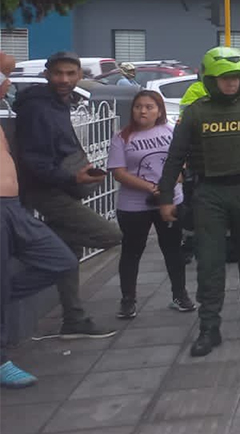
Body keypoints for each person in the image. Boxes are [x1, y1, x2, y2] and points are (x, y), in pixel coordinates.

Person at [157, 46, 240, 356]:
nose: (230, 84)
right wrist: (165, 198)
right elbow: (174, 158)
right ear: (210, 79)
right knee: (210, 261)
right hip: (208, 193)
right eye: (224, 78)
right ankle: (208, 326)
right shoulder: (196, 112)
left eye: (236, 78)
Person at [13, 51, 122, 339]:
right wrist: (72, 176)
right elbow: (33, 160)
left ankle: (73, 319)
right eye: (58, 73)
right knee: (110, 235)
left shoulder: (60, 103)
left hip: (62, 187)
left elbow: (60, 147)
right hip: (47, 190)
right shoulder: (37, 108)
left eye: (70, 74)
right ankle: (34, 240)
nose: (64, 79)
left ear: (79, 76)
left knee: (69, 256)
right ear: (47, 73)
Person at [1, 57, 81, 388]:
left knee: (60, 260)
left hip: (13, 207)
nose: (7, 82)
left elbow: (8, 61)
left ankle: (2, 296)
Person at [107, 90, 195, 319]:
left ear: (159, 110)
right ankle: (128, 300)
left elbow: (182, 163)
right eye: (138, 107)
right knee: (131, 251)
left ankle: (180, 295)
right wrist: (149, 188)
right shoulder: (122, 137)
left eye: (149, 107)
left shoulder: (170, 131)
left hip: (170, 201)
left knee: (173, 250)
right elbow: (118, 172)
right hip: (134, 205)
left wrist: (169, 185)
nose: (143, 111)